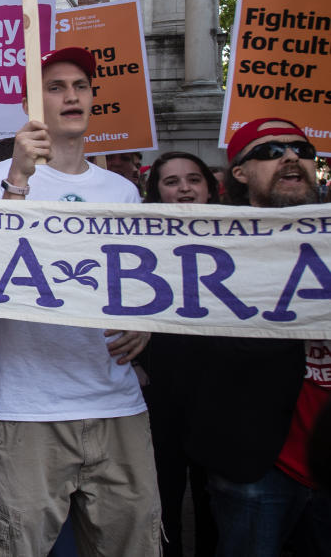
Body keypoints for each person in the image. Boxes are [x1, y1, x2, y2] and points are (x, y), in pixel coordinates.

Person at [0, 47, 159, 556]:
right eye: (55, 87)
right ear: (34, 102)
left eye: (80, 85)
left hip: (116, 404)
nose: (71, 96)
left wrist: (147, 323)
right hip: (27, 408)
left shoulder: (121, 192)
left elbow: (140, 282)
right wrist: (19, 180)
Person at [184, 117, 327, 557]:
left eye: (302, 151)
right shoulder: (208, 247)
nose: (289, 157)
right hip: (256, 464)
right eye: (269, 152)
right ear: (239, 174)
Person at [140, 151, 221, 557]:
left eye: (193, 179)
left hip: (222, 397)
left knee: (215, 504)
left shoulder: (247, 238)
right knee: (163, 498)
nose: (184, 189)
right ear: (156, 192)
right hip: (159, 392)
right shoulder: (135, 241)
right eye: (171, 182)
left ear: (210, 188)